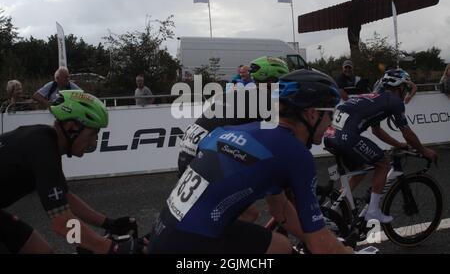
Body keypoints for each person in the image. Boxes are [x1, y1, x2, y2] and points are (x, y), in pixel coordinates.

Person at [149, 70, 352, 254]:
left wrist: (313, 239)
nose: (330, 123)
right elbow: (320, 244)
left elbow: (279, 209)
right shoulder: (296, 153)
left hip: (163, 234)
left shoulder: (245, 129)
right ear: (312, 113)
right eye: (330, 115)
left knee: (280, 246)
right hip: (191, 244)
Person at [0, 90, 139, 254]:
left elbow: (65, 198)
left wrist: (108, 223)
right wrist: (111, 248)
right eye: (93, 133)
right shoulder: (43, 149)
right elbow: (62, 223)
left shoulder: (44, 141)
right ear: (72, 127)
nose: (94, 141)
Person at [178, 56, 289, 222]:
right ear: (272, 80)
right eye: (280, 82)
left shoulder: (239, 90)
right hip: (201, 158)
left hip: (189, 153)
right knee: (249, 214)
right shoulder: (264, 99)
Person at [324, 69, 438, 223]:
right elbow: (407, 133)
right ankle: (373, 211)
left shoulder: (373, 98)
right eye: (405, 88)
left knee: (361, 168)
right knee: (383, 162)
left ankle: (337, 207)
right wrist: (424, 151)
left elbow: (377, 130)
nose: (405, 92)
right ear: (399, 87)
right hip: (347, 137)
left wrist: (398, 144)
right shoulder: (394, 101)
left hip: (330, 136)